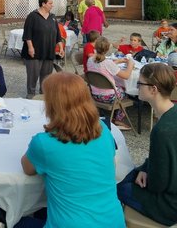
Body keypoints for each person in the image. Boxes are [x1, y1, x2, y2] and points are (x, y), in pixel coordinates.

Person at [20, 73, 125, 228]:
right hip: (113, 222)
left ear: (52, 105)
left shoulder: (44, 143)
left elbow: (27, 169)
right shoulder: (103, 129)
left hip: (70, 224)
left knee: (16, 221)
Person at [117, 63, 177, 226]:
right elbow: (163, 158)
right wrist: (144, 169)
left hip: (174, 205)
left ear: (153, 89)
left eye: (140, 83)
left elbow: (158, 184)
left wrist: (144, 174)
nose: (137, 87)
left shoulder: (162, 130)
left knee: (117, 188)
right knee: (131, 175)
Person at [86, 36, 134, 130]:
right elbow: (126, 75)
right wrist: (130, 65)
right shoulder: (108, 63)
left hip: (94, 95)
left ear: (95, 47)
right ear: (107, 49)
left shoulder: (90, 60)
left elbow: (102, 67)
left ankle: (109, 115)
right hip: (109, 98)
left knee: (118, 86)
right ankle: (117, 119)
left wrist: (117, 61)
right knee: (125, 90)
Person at [21, 0, 64, 98]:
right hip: (34, 53)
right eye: (50, 3)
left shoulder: (53, 17)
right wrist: (30, 48)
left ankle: (43, 97)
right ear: (43, 4)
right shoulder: (32, 16)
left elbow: (57, 34)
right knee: (33, 76)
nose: (52, 5)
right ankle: (30, 96)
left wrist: (61, 47)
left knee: (46, 77)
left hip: (48, 52)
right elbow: (27, 34)